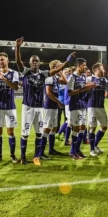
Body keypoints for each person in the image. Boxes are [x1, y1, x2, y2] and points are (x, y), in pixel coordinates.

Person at [15, 37, 75, 165]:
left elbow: (56, 70)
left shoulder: (43, 74)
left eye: (37, 61)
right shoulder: (25, 72)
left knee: (38, 133)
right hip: (28, 107)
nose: (35, 63)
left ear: (40, 63)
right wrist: (17, 47)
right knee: (25, 133)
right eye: (33, 61)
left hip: (40, 108)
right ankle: (23, 156)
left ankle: (36, 156)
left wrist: (67, 61)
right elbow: (18, 61)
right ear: (30, 63)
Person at [0, 52, 19, 164]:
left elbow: (15, 87)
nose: (1, 61)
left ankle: (12, 155)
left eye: (3, 59)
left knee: (10, 131)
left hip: (10, 106)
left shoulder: (14, 73)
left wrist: (4, 79)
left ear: (7, 60)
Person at [67, 58, 96, 159]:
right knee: (76, 128)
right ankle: (72, 151)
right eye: (84, 65)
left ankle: (77, 150)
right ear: (79, 65)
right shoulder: (72, 77)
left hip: (83, 105)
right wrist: (84, 88)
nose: (86, 67)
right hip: (75, 105)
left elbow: (84, 91)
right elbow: (70, 92)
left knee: (83, 128)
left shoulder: (83, 76)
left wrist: (89, 88)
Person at [40, 60, 67, 158]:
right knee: (47, 128)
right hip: (49, 106)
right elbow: (48, 93)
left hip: (54, 106)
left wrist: (62, 72)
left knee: (54, 128)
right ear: (53, 67)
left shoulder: (55, 78)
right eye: (58, 66)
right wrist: (59, 102)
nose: (60, 66)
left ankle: (51, 149)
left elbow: (65, 82)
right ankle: (41, 152)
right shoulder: (49, 78)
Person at [86, 62, 108, 156]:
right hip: (92, 106)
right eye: (102, 68)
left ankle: (94, 145)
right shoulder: (90, 79)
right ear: (97, 70)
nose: (104, 70)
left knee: (104, 126)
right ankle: (91, 150)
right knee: (93, 127)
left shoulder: (105, 80)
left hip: (101, 106)